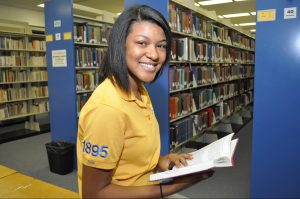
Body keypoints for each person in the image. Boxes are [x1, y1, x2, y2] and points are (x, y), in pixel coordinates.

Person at [76, 4, 214, 198]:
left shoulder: (139, 90)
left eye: (161, 45)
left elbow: (128, 154)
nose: (155, 54)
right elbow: (94, 194)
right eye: (142, 43)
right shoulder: (107, 109)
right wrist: (173, 187)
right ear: (120, 44)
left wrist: (161, 161)